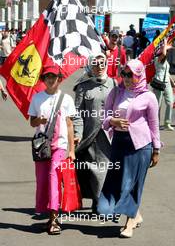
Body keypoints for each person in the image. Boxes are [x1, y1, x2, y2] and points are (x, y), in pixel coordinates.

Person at [97, 59, 161, 238]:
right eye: (124, 74)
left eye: (130, 74)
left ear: (139, 75)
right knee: (118, 182)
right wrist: (112, 121)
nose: (125, 78)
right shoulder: (116, 92)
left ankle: (129, 223)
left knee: (132, 184)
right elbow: (104, 116)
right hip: (119, 143)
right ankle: (136, 214)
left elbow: (154, 125)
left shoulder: (149, 97)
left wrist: (156, 150)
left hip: (141, 146)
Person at [28, 64, 76, 235]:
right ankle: (49, 217)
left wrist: (72, 150)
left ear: (60, 79)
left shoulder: (67, 99)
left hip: (60, 146)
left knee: (53, 178)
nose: (50, 80)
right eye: (47, 76)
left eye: (53, 77)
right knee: (42, 182)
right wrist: (38, 121)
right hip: (41, 146)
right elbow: (31, 122)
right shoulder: (37, 98)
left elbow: (70, 125)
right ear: (43, 79)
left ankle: (55, 220)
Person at [73, 53, 116, 213]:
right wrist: (77, 133)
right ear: (91, 65)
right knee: (93, 170)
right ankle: (99, 202)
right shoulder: (83, 87)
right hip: (89, 136)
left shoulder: (115, 84)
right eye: (96, 63)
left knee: (105, 169)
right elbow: (77, 112)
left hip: (109, 136)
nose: (99, 67)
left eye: (102, 63)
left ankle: (101, 202)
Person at [153, 39, 175, 130]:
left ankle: (167, 123)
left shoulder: (165, 60)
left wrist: (172, 82)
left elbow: (167, 73)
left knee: (170, 102)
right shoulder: (157, 58)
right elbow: (164, 54)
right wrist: (165, 43)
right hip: (158, 83)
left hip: (167, 84)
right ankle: (155, 123)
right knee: (157, 104)